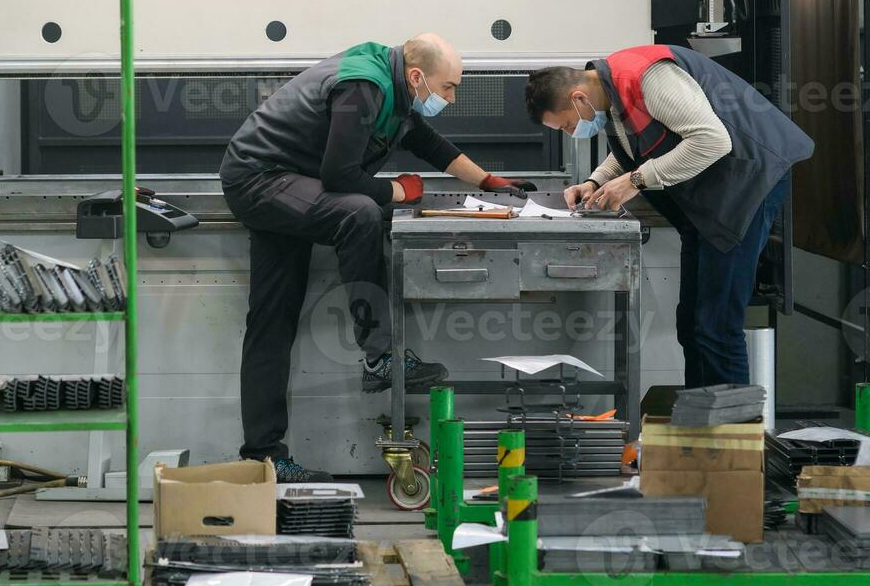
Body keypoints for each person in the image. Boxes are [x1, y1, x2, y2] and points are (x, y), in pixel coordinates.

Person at [220, 33, 537, 481]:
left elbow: (427, 142)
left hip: (288, 183)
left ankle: (263, 457)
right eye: (448, 87)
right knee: (360, 214)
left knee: (272, 321)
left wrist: (487, 182)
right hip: (260, 180)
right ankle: (379, 356)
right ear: (416, 75)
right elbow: (339, 175)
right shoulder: (364, 87)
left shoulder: (395, 89)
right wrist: (398, 191)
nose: (451, 97)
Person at [524, 45, 813, 388]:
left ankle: (731, 433)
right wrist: (595, 181)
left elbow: (712, 140)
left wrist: (635, 181)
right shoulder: (612, 92)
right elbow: (636, 148)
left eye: (568, 124)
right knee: (691, 323)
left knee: (718, 325)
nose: (571, 132)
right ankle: (699, 420)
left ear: (578, 98)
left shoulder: (648, 78)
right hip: (713, 194)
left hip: (748, 181)